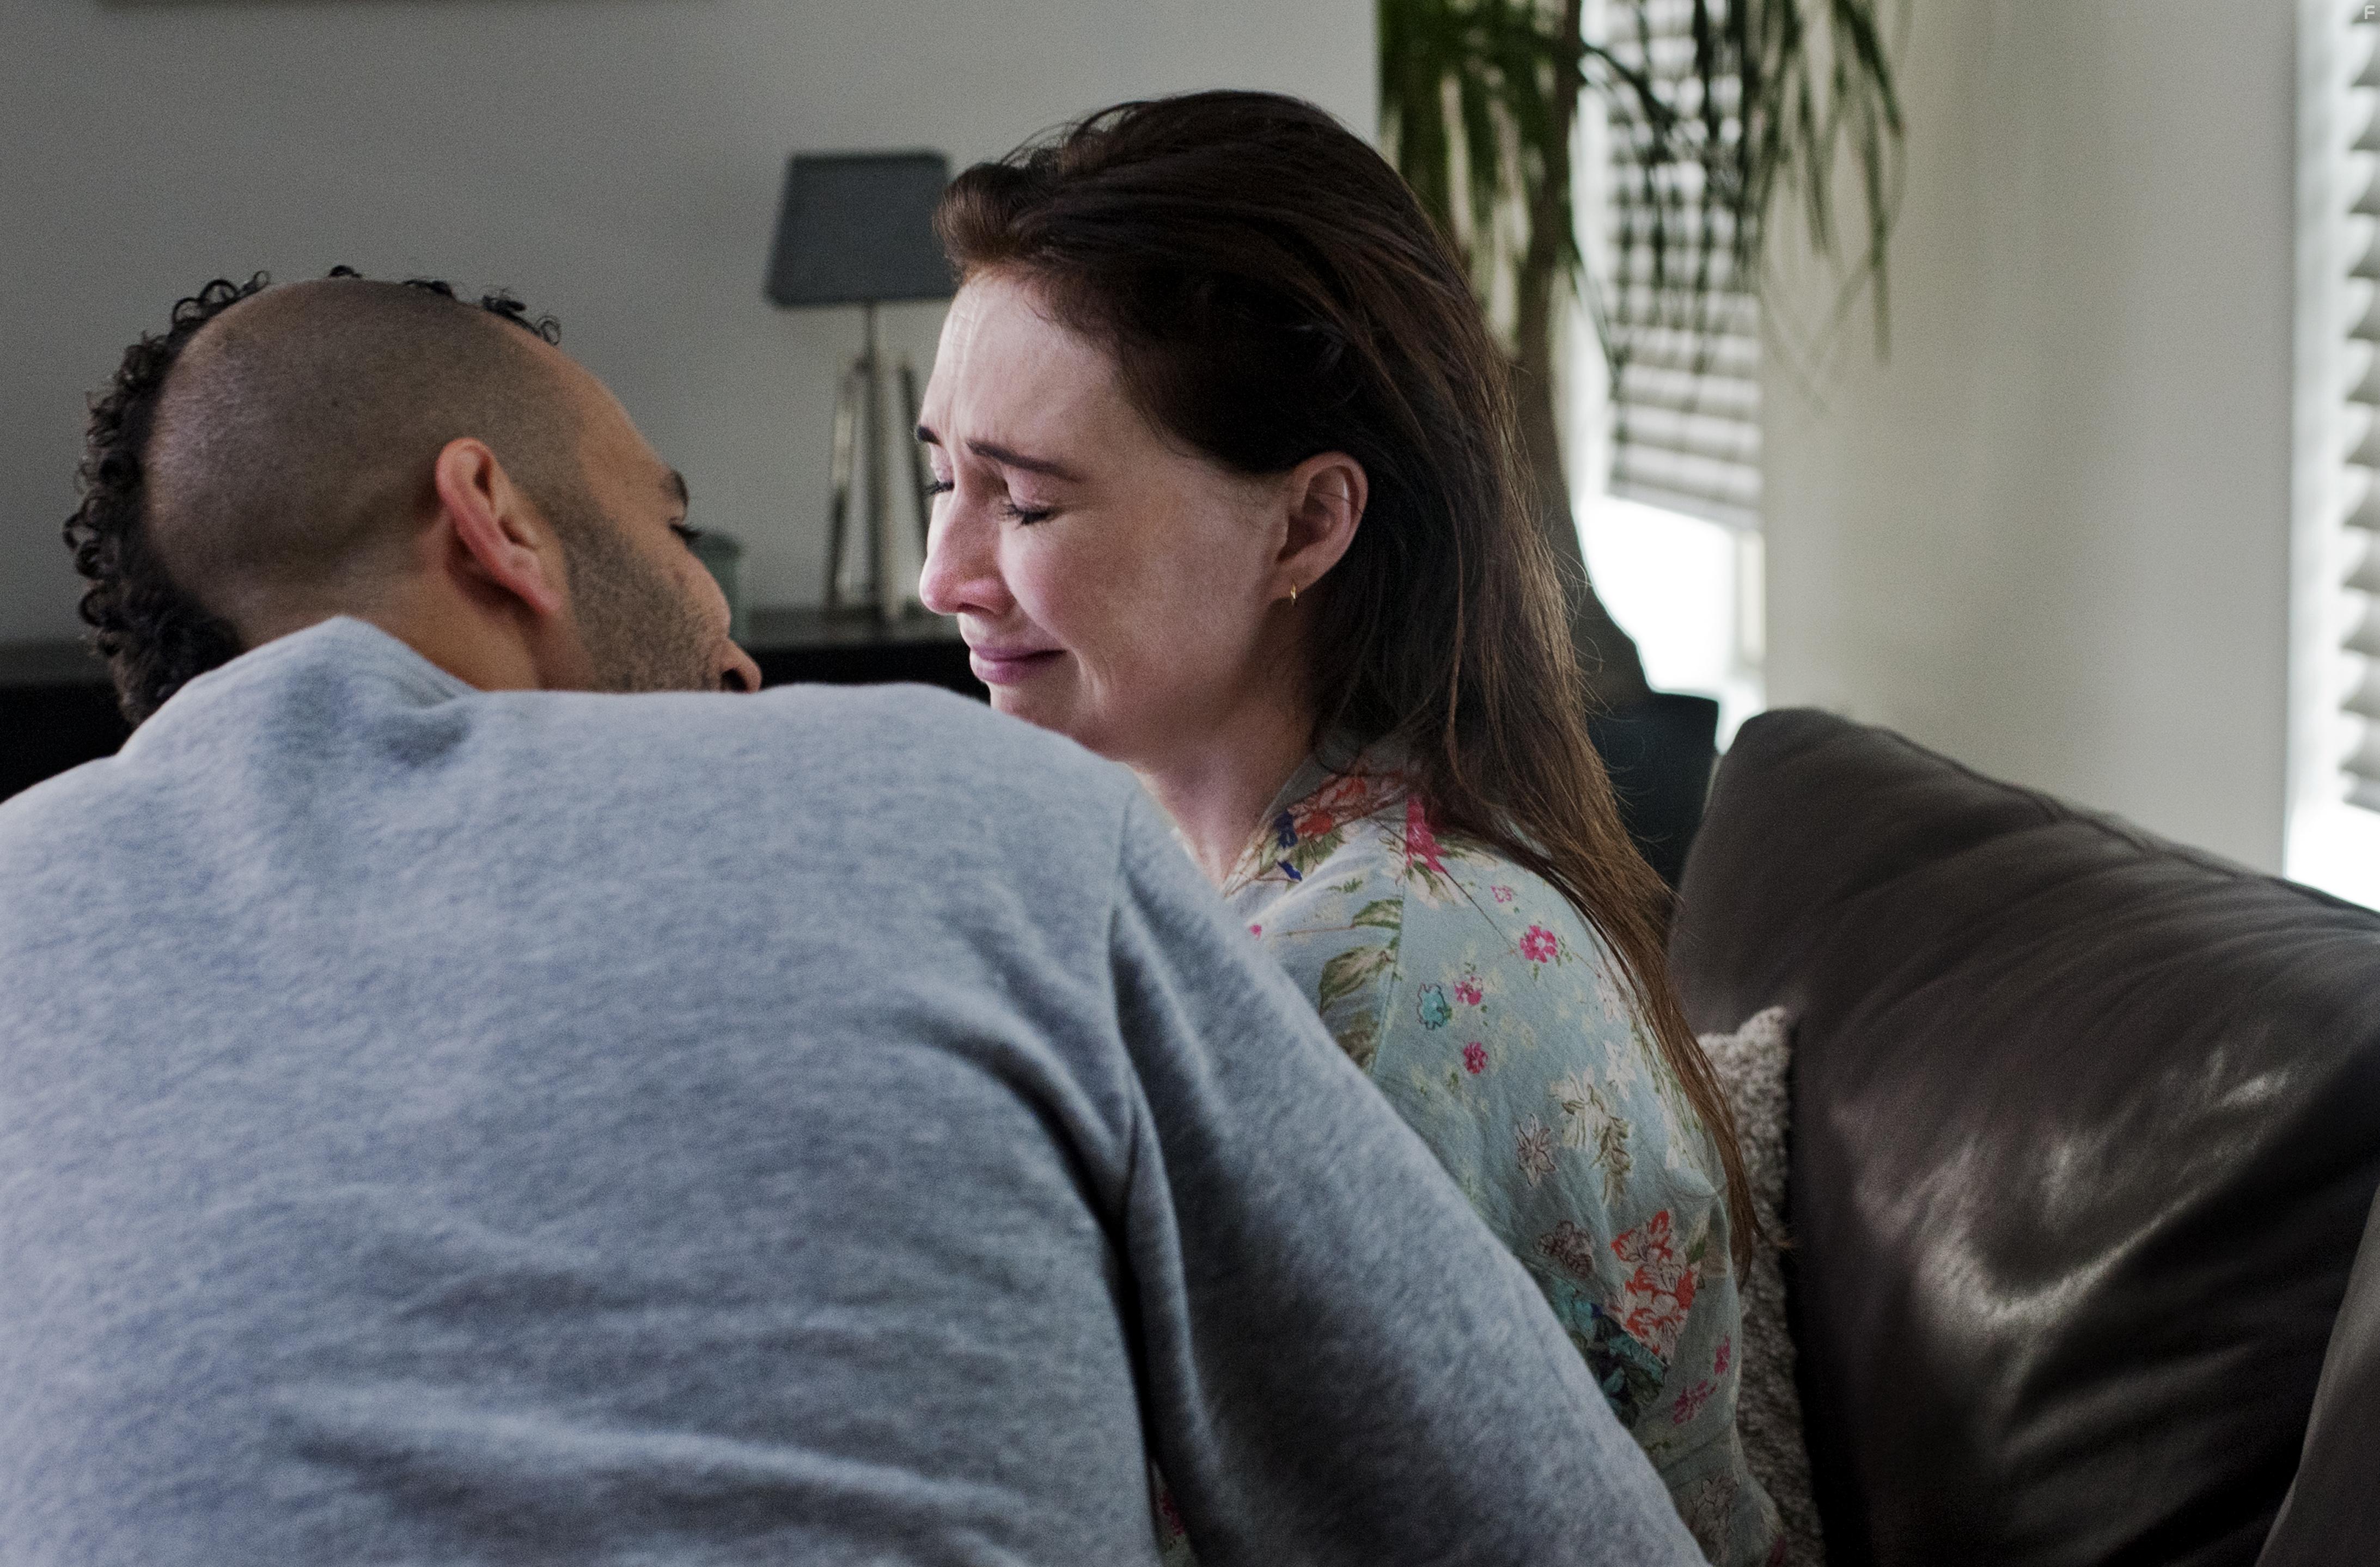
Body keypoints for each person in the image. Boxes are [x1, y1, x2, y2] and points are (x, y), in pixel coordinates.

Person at [0, 271, 1706, 1566]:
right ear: (496, 520)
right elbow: (1550, 1529)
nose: (728, 637)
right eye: (674, 524)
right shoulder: (957, 817)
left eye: (1020, 497)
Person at [917, 90, 1780, 1564]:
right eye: (947, 478)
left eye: (1029, 506)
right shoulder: (1246, 873)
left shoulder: (1354, 989)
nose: (943, 575)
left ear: (1306, 526)